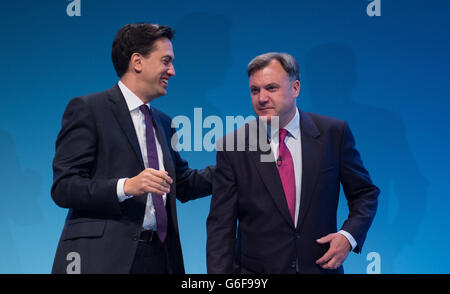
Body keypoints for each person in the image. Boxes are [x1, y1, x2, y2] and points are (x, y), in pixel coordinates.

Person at [51, 23, 214, 274]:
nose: (172, 71)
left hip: (160, 259)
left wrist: (237, 164)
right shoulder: (89, 109)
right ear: (137, 61)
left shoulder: (163, 122)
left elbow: (182, 184)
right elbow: (64, 188)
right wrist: (125, 187)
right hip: (102, 260)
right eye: (165, 61)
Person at [206, 52, 379, 274]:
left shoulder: (332, 134)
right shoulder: (234, 145)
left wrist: (348, 236)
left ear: (295, 88)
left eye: (271, 88)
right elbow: (220, 228)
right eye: (255, 90)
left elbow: (365, 194)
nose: (261, 98)